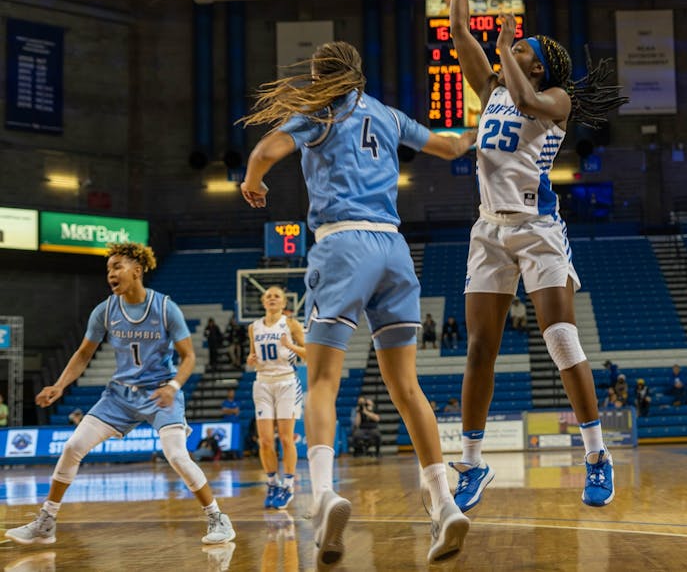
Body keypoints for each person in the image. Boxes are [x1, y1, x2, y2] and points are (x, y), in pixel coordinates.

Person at [239, 39, 476, 566]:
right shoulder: (389, 116)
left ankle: (324, 496)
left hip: (343, 245)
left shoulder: (317, 111)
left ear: (320, 76)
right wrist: (483, 128)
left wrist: (253, 183)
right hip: (395, 250)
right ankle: (443, 502)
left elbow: (262, 153)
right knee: (407, 387)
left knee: (323, 380)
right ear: (360, 73)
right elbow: (450, 147)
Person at [423, 0, 628, 512]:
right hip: (488, 229)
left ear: (543, 61)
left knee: (560, 338)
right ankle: (472, 462)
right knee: (480, 348)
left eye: (529, 48)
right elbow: (461, 33)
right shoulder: (491, 87)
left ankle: (595, 455)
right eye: (521, 47)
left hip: (537, 229)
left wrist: (509, 49)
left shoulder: (556, 99)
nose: (521, 51)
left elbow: (523, 95)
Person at [4, 242, 236, 547]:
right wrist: (59, 385)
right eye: (108, 269)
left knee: (177, 455)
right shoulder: (105, 310)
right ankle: (46, 521)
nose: (110, 274)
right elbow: (84, 353)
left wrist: (173, 387)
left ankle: (218, 517)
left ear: (137, 271)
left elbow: (189, 356)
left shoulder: (165, 308)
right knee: (73, 446)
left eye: (117, 267)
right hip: (119, 397)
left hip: (160, 393)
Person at [247, 285, 307, 510]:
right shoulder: (254, 327)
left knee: (285, 438)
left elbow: (308, 352)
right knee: (264, 440)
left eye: (276, 296)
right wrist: (250, 358)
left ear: (284, 302)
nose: (272, 299)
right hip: (262, 382)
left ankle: (289, 485)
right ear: (263, 302)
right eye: (268, 296)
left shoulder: (291, 324)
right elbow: (252, 354)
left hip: (286, 382)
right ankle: (272, 483)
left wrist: (289, 345)